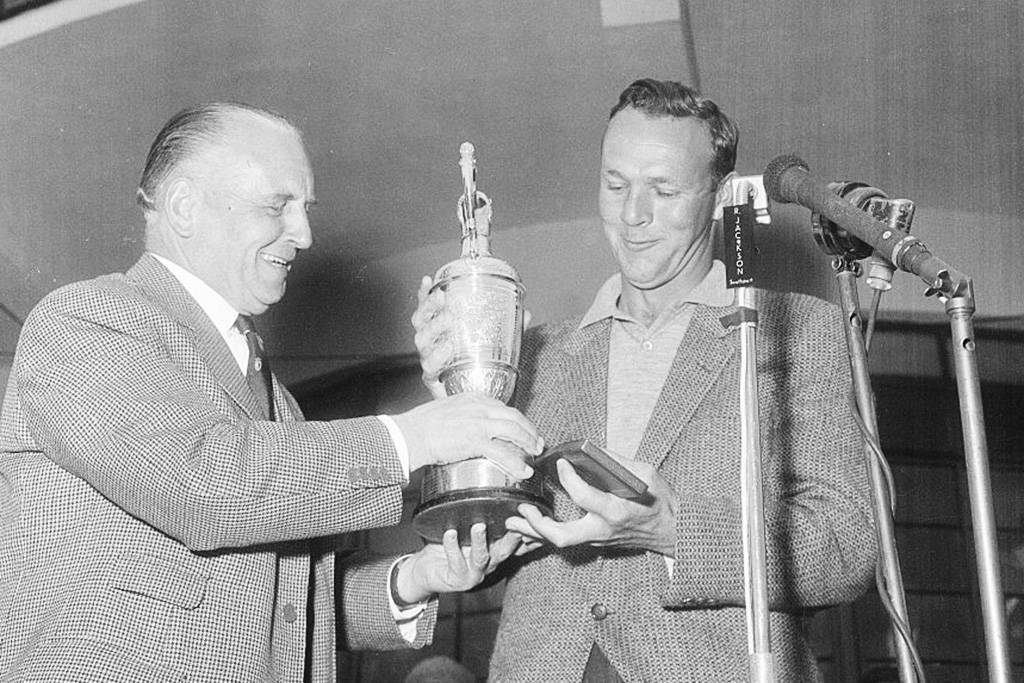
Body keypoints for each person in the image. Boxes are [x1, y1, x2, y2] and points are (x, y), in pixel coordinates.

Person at [0, 102, 543, 682]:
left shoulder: (277, 399)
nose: (304, 235)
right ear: (184, 206)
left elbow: (280, 612)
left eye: (304, 209)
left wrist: (417, 576)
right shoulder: (88, 321)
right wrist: (412, 437)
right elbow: (203, 487)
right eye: (275, 206)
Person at [413, 79, 878, 681]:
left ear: (718, 196)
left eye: (663, 189)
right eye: (615, 185)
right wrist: (452, 395)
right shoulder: (537, 354)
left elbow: (844, 547)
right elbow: (484, 528)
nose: (633, 215)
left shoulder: (797, 333)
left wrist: (672, 530)